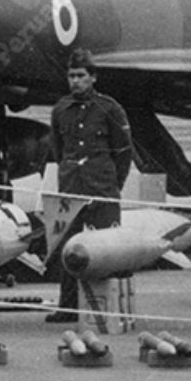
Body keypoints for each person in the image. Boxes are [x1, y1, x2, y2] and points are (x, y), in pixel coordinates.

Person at [45, 48, 133, 321]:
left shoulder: (109, 109)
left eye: (81, 75)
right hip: (71, 187)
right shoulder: (60, 110)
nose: (76, 81)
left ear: (93, 78)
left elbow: (123, 152)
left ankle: (107, 307)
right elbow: (59, 152)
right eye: (71, 76)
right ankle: (68, 308)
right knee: (67, 248)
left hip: (102, 187)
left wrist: (111, 184)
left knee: (107, 248)